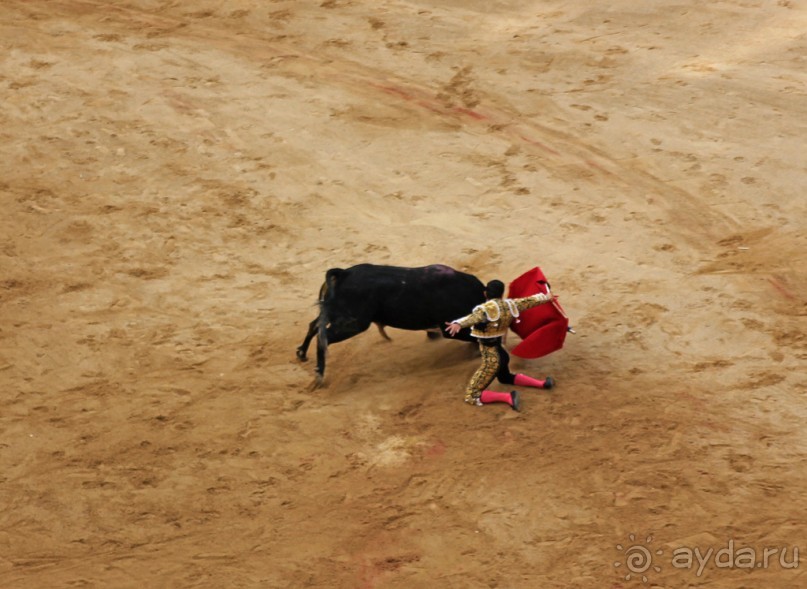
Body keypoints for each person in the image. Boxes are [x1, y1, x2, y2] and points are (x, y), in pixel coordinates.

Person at [446, 279, 556, 411]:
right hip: (501, 353)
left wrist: (458, 323)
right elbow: (530, 301)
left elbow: (472, 318)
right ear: (501, 293)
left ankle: (508, 397)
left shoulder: (484, 310)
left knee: (472, 395)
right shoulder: (510, 305)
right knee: (505, 377)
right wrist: (547, 297)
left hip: (492, 358)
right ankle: (542, 384)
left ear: (485, 294)